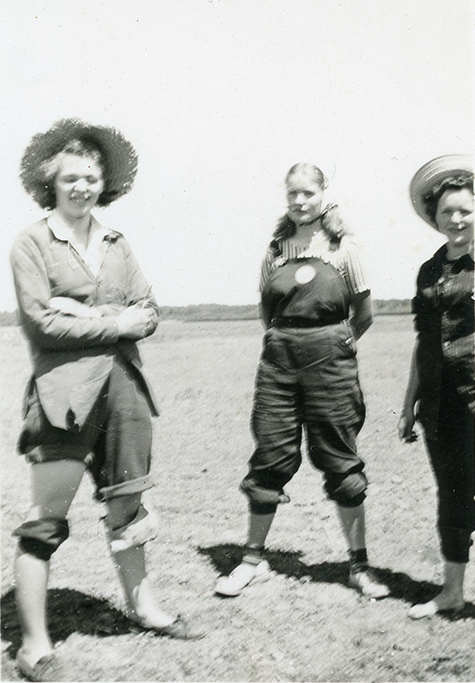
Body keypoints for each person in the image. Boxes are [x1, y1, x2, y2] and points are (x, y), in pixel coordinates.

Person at [11, 119, 204, 682]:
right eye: (70, 178)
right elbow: (41, 322)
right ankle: (34, 646)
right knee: (46, 521)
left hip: (125, 391)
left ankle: (144, 608)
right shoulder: (31, 242)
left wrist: (89, 315)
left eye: (91, 177)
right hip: (63, 394)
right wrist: (113, 321)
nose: (81, 187)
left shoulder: (118, 243)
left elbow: (148, 310)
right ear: (51, 183)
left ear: (105, 183)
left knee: (128, 507)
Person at [215, 163, 389, 600]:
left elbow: (364, 313)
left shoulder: (343, 247)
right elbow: (265, 311)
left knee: (340, 460)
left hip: (330, 362)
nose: (299, 201)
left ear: (323, 194)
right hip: (279, 363)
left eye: (307, 193)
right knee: (270, 454)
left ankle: (359, 566)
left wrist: (338, 343)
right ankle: (252, 560)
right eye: (292, 194)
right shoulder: (275, 250)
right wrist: (285, 342)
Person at [398, 155, 474, 619]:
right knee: (452, 494)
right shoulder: (428, 270)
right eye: (447, 212)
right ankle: (451, 592)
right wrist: (408, 405)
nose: (457, 219)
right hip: (439, 405)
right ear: (435, 217)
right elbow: (424, 343)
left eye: (465, 209)